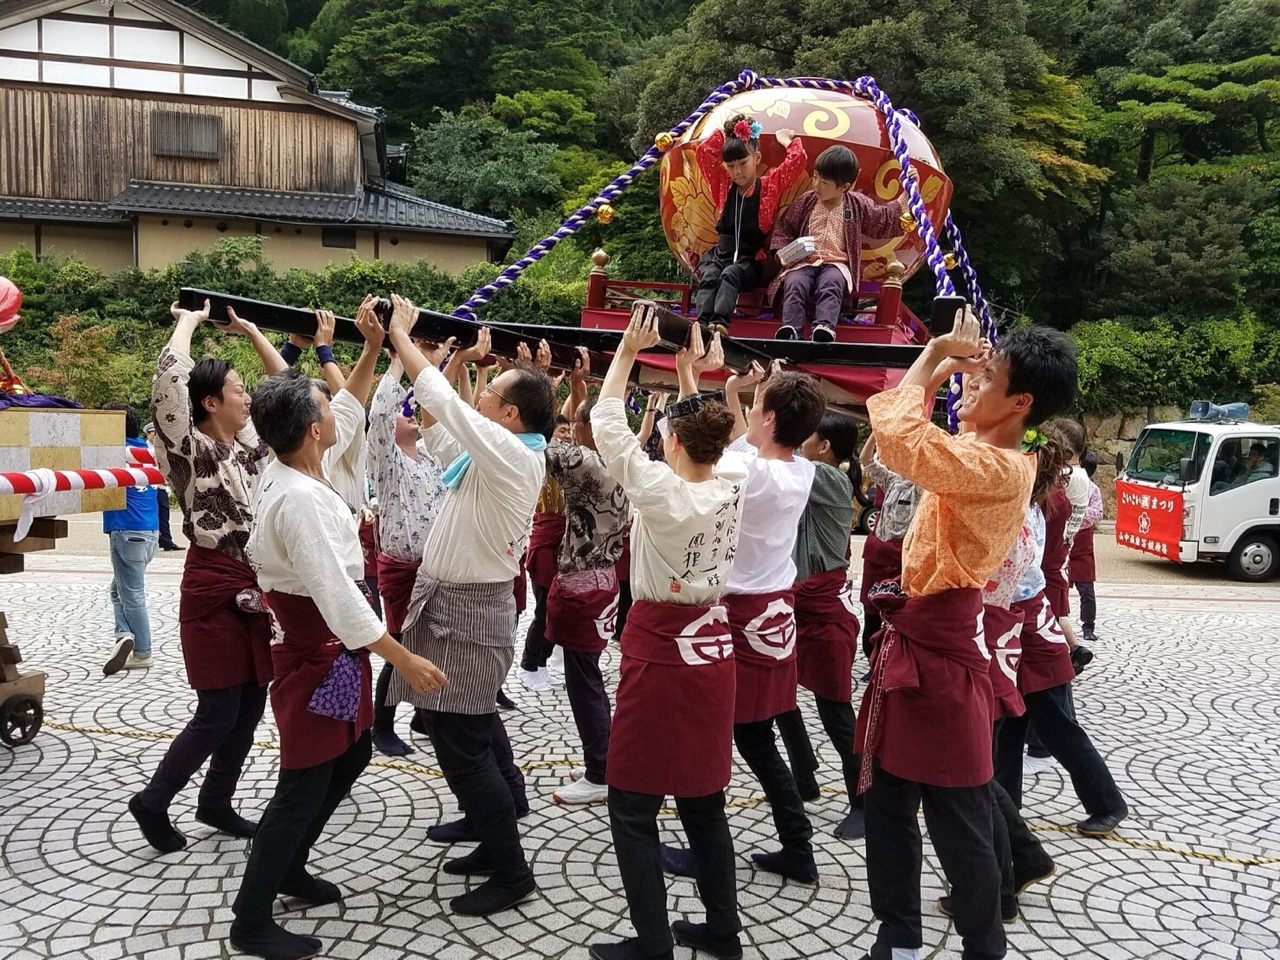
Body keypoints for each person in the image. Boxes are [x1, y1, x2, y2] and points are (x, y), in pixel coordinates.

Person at [855, 307, 1079, 960]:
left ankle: (984, 948)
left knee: (960, 822)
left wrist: (929, 357)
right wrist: (953, 362)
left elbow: (900, 441)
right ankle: (897, 938)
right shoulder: (985, 453)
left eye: (986, 380)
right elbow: (919, 438)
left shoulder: (1002, 469)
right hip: (923, 636)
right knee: (892, 804)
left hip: (945, 652)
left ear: (1021, 403)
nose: (969, 386)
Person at [231, 366, 446, 960]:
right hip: (315, 649)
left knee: (349, 756)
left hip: (333, 652)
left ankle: (291, 866)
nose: (335, 416)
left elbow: (350, 412)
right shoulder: (297, 497)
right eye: (325, 411)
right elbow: (340, 600)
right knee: (302, 782)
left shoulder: (294, 467)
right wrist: (405, 659)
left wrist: (379, 348)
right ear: (311, 429)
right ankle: (250, 918)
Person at [588, 302, 746, 960]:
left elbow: (605, 425)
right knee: (704, 800)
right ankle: (723, 932)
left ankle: (652, 942)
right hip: (713, 649)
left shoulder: (660, 489)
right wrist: (691, 382)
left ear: (673, 442)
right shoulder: (733, 481)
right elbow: (714, 441)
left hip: (661, 651)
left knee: (631, 802)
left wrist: (627, 352)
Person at [385, 295, 552, 917]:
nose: (481, 399)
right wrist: (453, 359)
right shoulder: (496, 452)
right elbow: (435, 431)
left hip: (471, 611)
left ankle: (512, 871)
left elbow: (447, 409)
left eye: (492, 394)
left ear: (509, 414)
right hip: (451, 602)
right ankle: (493, 830)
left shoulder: (514, 456)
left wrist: (405, 338)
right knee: (468, 729)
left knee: (462, 738)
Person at [128, 298, 286, 854]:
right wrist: (189, 322)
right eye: (238, 390)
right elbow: (168, 387)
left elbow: (288, 393)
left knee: (249, 704)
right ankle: (153, 800)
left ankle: (216, 802)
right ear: (210, 402)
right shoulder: (187, 448)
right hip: (213, 587)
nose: (247, 398)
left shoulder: (250, 453)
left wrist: (249, 330)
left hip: (252, 588)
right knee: (218, 709)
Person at [995, 431, 1129, 839]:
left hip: (1033, 626)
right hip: (1021, 626)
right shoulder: (1040, 501)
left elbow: (1038, 573)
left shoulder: (1044, 505)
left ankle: (1108, 803)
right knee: (1008, 729)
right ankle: (1008, 817)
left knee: (1059, 728)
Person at [543, 349, 630, 805]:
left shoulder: (585, 464)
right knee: (588, 674)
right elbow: (581, 429)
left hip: (579, 582)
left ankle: (600, 769)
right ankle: (606, 759)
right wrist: (578, 387)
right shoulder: (627, 462)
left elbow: (536, 437)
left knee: (584, 682)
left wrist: (543, 383)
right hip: (606, 578)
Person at [774, 412, 867, 839]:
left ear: (824, 446)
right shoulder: (819, 474)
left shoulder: (830, 480)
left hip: (826, 611)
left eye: (807, 434)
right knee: (779, 695)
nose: (801, 440)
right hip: (803, 604)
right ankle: (806, 773)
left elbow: (774, 455)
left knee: (836, 712)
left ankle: (865, 800)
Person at [365, 349, 448, 756]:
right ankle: (381, 725)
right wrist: (397, 362)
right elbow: (380, 415)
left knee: (429, 644)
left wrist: (430, 365)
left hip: (431, 566)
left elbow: (443, 409)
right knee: (399, 646)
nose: (409, 412)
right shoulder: (388, 460)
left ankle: (422, 714)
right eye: (404, 410)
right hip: (401, 567)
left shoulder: (431, 457)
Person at [769, 145, 910, 341]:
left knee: (832, 283)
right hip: (803, 262)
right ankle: (791, 329)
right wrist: (783, 253)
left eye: (824, 182)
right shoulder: (805, 201)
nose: (817, 185)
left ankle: (824, 328)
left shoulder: (857, 204)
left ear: (845, 186)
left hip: (837, 263)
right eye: (815, 177)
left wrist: (909, 191)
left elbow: (883, 219)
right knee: (795, 282)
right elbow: (785, 229)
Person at [694, 112, 806, 332]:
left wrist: (787, 141)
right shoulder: (722, 185)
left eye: (743, 163)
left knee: (730, 275)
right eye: (731, 165)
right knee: (709, 276)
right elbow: (704, 153)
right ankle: (701, 324)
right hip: (721, 254)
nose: (737, 171)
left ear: (757, 158)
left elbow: (797, 160)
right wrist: (725, 133)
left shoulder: (769, 186)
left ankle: (720, 323)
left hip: (750, 259)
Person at [101, 402, 161, 675]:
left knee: (133, 595)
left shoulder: (111, 452)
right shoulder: (146, 449)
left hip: (126, 532)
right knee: (118, 589)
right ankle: (123, 634)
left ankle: (142, 651)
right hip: (150, 532)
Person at [858, 435, 921, 659]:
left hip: (899, 560)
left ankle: (887, 661)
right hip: (877, 558)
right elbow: (866, 460)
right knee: (870, 614)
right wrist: (876, 432)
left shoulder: (922, 488)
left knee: (894, 613)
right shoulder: (892, 481)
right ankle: (872, 658)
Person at [1069, 451, 1103, 643]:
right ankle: (1057, 619)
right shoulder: (1067, 484)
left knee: (1087, 590)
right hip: (1065, 540)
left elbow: (1098, 513)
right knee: (1057, 587)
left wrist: (1077, 514)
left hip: (1082, 543)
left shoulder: (1093, 490)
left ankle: (1088, 626)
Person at [143, 421, 181, 551]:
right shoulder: (144, 449)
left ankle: (166, 541)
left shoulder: (162, 449)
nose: (156, 436)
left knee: (164, 514)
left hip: (161, 486)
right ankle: (153, 540)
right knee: (152, 514)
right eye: (154, 433)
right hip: (149, 486)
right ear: (148, 435)